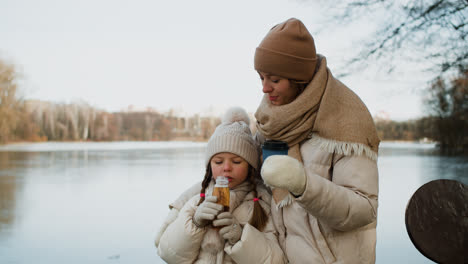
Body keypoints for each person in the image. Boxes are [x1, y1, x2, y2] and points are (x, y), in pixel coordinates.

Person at [254, 18, 380, 263]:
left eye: (274, 80)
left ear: (298, 78)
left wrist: (303, 184)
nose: (265, 89)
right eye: (261, 78)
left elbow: (364, 210)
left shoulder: (347, 120)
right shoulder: (267, 122)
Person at [155, 107, 286, 264]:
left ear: (250, 165)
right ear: (209, 165)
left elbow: (276, 260)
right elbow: (165, 251)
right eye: (218, 161)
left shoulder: (262, 201)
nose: (226, 168)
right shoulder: (193, 198)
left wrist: (241, 238)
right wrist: (195, 223)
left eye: (236, 161)